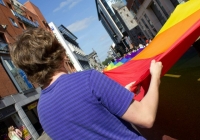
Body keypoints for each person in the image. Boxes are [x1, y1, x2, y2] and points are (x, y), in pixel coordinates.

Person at [10, 28, 163, 140]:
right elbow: (146, 118)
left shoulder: (42, 112)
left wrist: (117, 96)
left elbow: (87, 121)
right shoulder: (89, 80)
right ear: (62, 54)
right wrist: (155, 77)